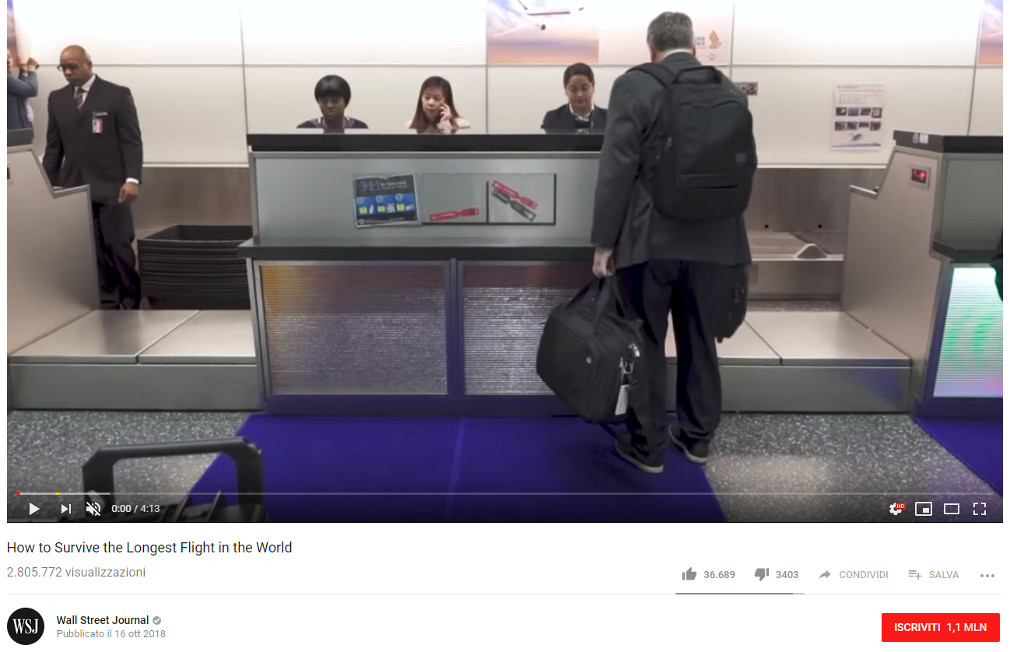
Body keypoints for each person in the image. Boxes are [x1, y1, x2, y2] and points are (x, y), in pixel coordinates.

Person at [590, 12, 753, 473]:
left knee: (645, 340)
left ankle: (648, 446)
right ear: (695, 48)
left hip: (650, 241)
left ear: (651, 48)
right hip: (717, 242)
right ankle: (698, 438)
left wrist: (604, 243)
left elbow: (617, 167)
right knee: (700, 337)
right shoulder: (730, 90)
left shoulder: (635, 86)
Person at [43, 45, 144, 309]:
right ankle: (106, 299)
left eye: (73, 66)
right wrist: (47, 185)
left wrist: (132, 179)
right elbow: (53, 146)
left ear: (88, 63)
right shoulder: (57, 99)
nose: (68, 72)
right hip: (75, 187)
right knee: (90, 249)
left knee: (117, 244)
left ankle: (130, 296)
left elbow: (131, 141)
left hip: (113, 186)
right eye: (63, 67)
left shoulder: (116, 95)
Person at [540, 63, 607, 133]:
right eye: (573, 90)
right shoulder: (552, 118)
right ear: (565, 90)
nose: (579, 95)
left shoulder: (608, 118)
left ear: (593, 88)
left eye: (584, 89)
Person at [296, 74, 367, 130]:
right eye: (324, 102)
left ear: (345, 102)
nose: (329, 106)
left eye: (335, 101)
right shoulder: (306, 129)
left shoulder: (359, 128)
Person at [7, 48, 37, 130]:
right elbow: (31, 90)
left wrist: (23, 70)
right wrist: (31, 68)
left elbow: (21, 91)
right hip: (15, 131)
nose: (8, 61)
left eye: (9, 57)